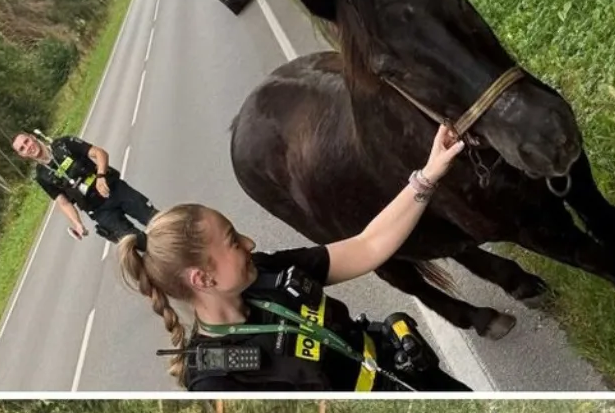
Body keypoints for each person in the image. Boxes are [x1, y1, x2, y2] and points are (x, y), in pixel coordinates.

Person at [116, 123, 471, 391]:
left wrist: (427, 176)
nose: (250, 243)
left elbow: (367, 246)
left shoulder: (267, 273)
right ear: (203, 279)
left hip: (411, 373)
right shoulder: (215, 375)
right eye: (233, 242)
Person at [12, 130, 158, 245]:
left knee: (157, 221)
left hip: (115, 190)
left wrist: (101, 176)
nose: (28, 147)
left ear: (32, 137)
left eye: (27, 141)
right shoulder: (41, 176)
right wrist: (77, 224)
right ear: (22, 155)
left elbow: (99, 153)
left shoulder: (64, 144)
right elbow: (63, 202)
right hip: (99, 211)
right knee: (135, 243)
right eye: (22, 148)